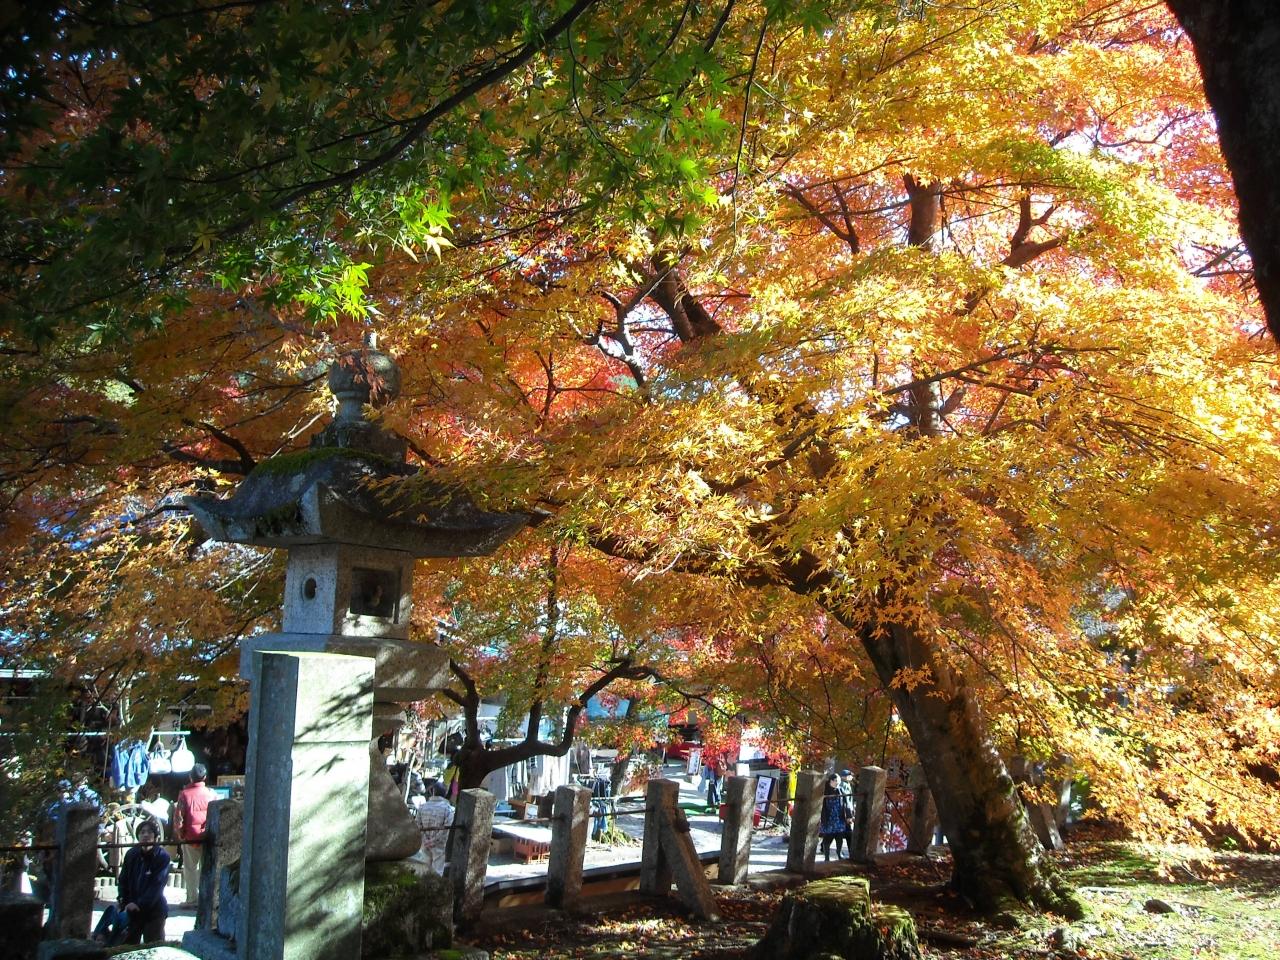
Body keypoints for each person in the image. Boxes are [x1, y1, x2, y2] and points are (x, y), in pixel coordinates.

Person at [117, 819, 171, 944]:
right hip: (131, 907)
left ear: (155, 836)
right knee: (127, 947)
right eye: (142, 832)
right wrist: (124, 901)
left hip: (154, 909)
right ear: (138, 836)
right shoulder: (131, 854)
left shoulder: (162, 856)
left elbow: (157, 886)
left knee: (153, 947)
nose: (146, 835)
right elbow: (123, 880)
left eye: (150, 832)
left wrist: (139, 904)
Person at [173, 763, 216, 908]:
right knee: (207, 868)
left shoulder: (184, 794)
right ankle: (207, 899)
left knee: (191, 869)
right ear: (205, 777)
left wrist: (181, 835)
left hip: (190, 838)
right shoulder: (212, 794)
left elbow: (179, 818)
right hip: (208, 837)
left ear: (190, 777)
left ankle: (192, 899)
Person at [416, 782, 454, 875]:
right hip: (439, 845)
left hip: (425, 843)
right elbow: (447, 828)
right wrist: (434, 840)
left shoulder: (422, 807)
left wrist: (426, 840)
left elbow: (418, 825)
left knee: (423, 869)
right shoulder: (448, 809)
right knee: (437, 871)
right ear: (445, 793)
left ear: (432, 791)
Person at [819, 772, 850, 861]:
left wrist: (849, 815)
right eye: (836, 781)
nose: (837, 783)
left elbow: (846, 803)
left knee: (839, 838)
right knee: (827, 839)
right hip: (828, 819)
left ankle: (839, 853)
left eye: (839, 781)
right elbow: (820, 805)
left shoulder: (841, 790)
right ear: (830, 781)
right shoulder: (825, 791)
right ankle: (827, 857)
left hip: (839, 818)